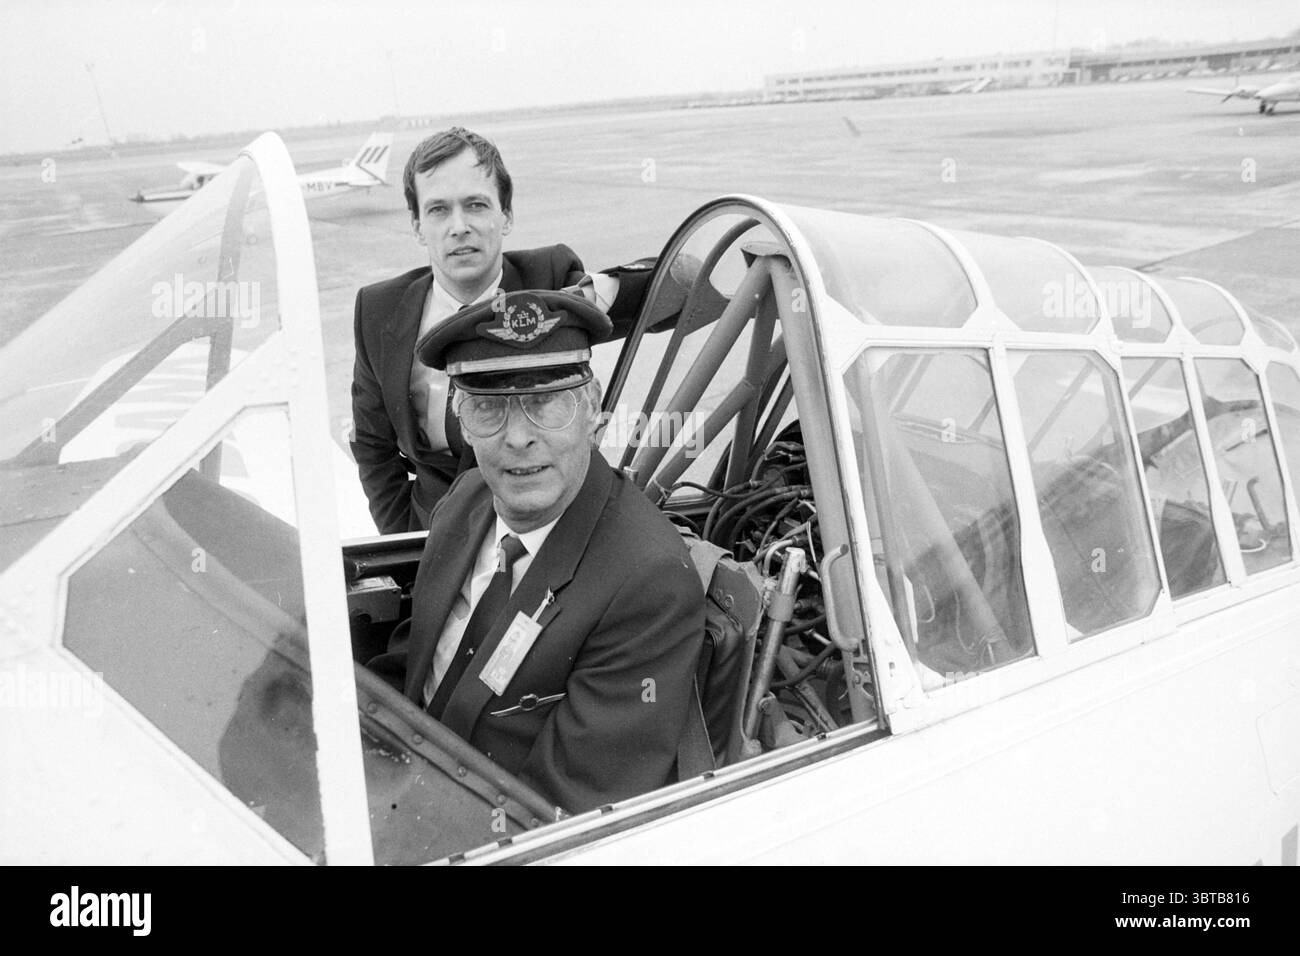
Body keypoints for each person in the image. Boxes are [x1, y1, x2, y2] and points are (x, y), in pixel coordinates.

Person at [367, 289, 704, 814]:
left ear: (592, 409)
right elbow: (415, 665)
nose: (518, 438)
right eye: (487, 407)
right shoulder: (466, 500)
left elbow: (568, 810)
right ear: (460, 418)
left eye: (546, 403)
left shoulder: (647, 581)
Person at [350, 127, 656, 533]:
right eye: (439, 210)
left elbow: (676, 285)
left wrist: (595, 292)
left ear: (505, 216)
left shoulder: (547, 278)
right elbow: (374, 447)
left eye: (476, 205)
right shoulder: (379, 310)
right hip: (435, 527)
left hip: (548, 522)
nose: (459, 227)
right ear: (417, 225)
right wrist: (404, 536)